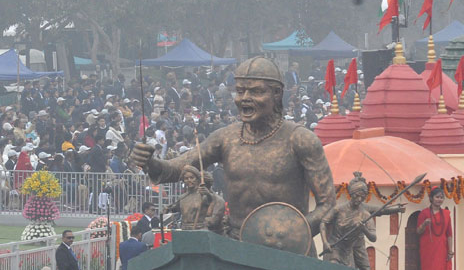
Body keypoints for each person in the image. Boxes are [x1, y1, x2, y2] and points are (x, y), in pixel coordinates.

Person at [129, 57, 335, 244]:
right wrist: (151, 162)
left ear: (277, 93)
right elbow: (179, 167)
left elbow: (328, 205)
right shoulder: (226, 138)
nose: (244, 98)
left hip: (288, 251)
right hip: (236, 246)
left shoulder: (300, 139)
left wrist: (293, 233)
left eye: (256, 91)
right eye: (240, 91)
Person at [320, 172, 377, 270]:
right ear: (351, 194)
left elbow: (373, 237)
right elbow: (323, 222)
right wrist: (325, 242)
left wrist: (364, 229)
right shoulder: (339, 209)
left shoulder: (365, 215)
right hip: (336, 246)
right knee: (333, 268)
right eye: (357, 195)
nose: (359, 199)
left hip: (348, 249)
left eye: (362, 197)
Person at [415, 187, 453, 270]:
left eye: (441, 197)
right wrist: (424, 224)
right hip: (428, 248)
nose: (439, 199)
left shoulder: (446, 214)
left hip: (441, 248)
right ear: (431, 198)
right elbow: (418, 231)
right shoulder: (424, 214)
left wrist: (450, 250)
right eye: (437, 197)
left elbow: (449, 234)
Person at [166, 165, 225, 233]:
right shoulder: (182, 197)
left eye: (192, 178)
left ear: (197, 179)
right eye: (186, 178)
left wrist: (208, 194)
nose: (189, 180)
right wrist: (168, 209)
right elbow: (174, 208)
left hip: (200, 231)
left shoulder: (204, 195)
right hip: (185, 230)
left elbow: (212, 202)